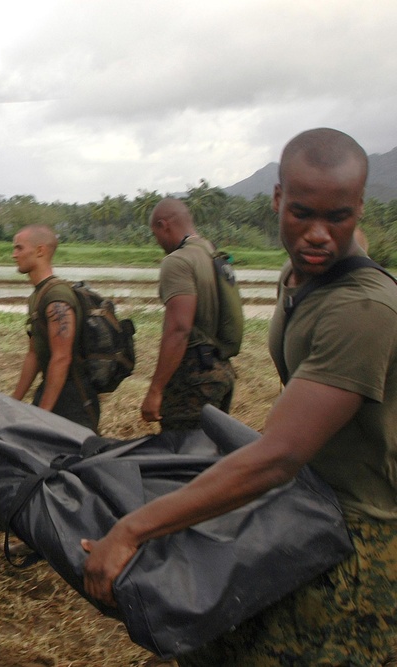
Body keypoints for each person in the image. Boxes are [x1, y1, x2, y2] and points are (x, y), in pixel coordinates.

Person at [82, 128, 397, 665]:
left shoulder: (361, 310)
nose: (318, 234)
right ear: (277, 200)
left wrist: (132, 529)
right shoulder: (298, 278)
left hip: (359, 543)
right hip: (307, 505)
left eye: (338, 217)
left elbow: (277, 457)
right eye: (301, 213)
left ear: (360, 209)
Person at [140, 198, 237, 431]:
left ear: (164, 225)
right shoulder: (213, 253)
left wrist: (155, 391)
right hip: (221, 371)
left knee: (184, 454)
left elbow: (179, 329)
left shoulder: (178, 261)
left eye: (156, 235)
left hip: (193, 378)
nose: (159, 243)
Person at [10, 224, 99, 432]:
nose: (14, 255)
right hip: (51, 390)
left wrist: (43, 415)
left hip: (73, 399)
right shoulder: (38, 295)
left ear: (40, 251)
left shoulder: (56, 297)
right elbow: (34, 353)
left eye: (19, 248)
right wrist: (14, 401)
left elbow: (62, 358)